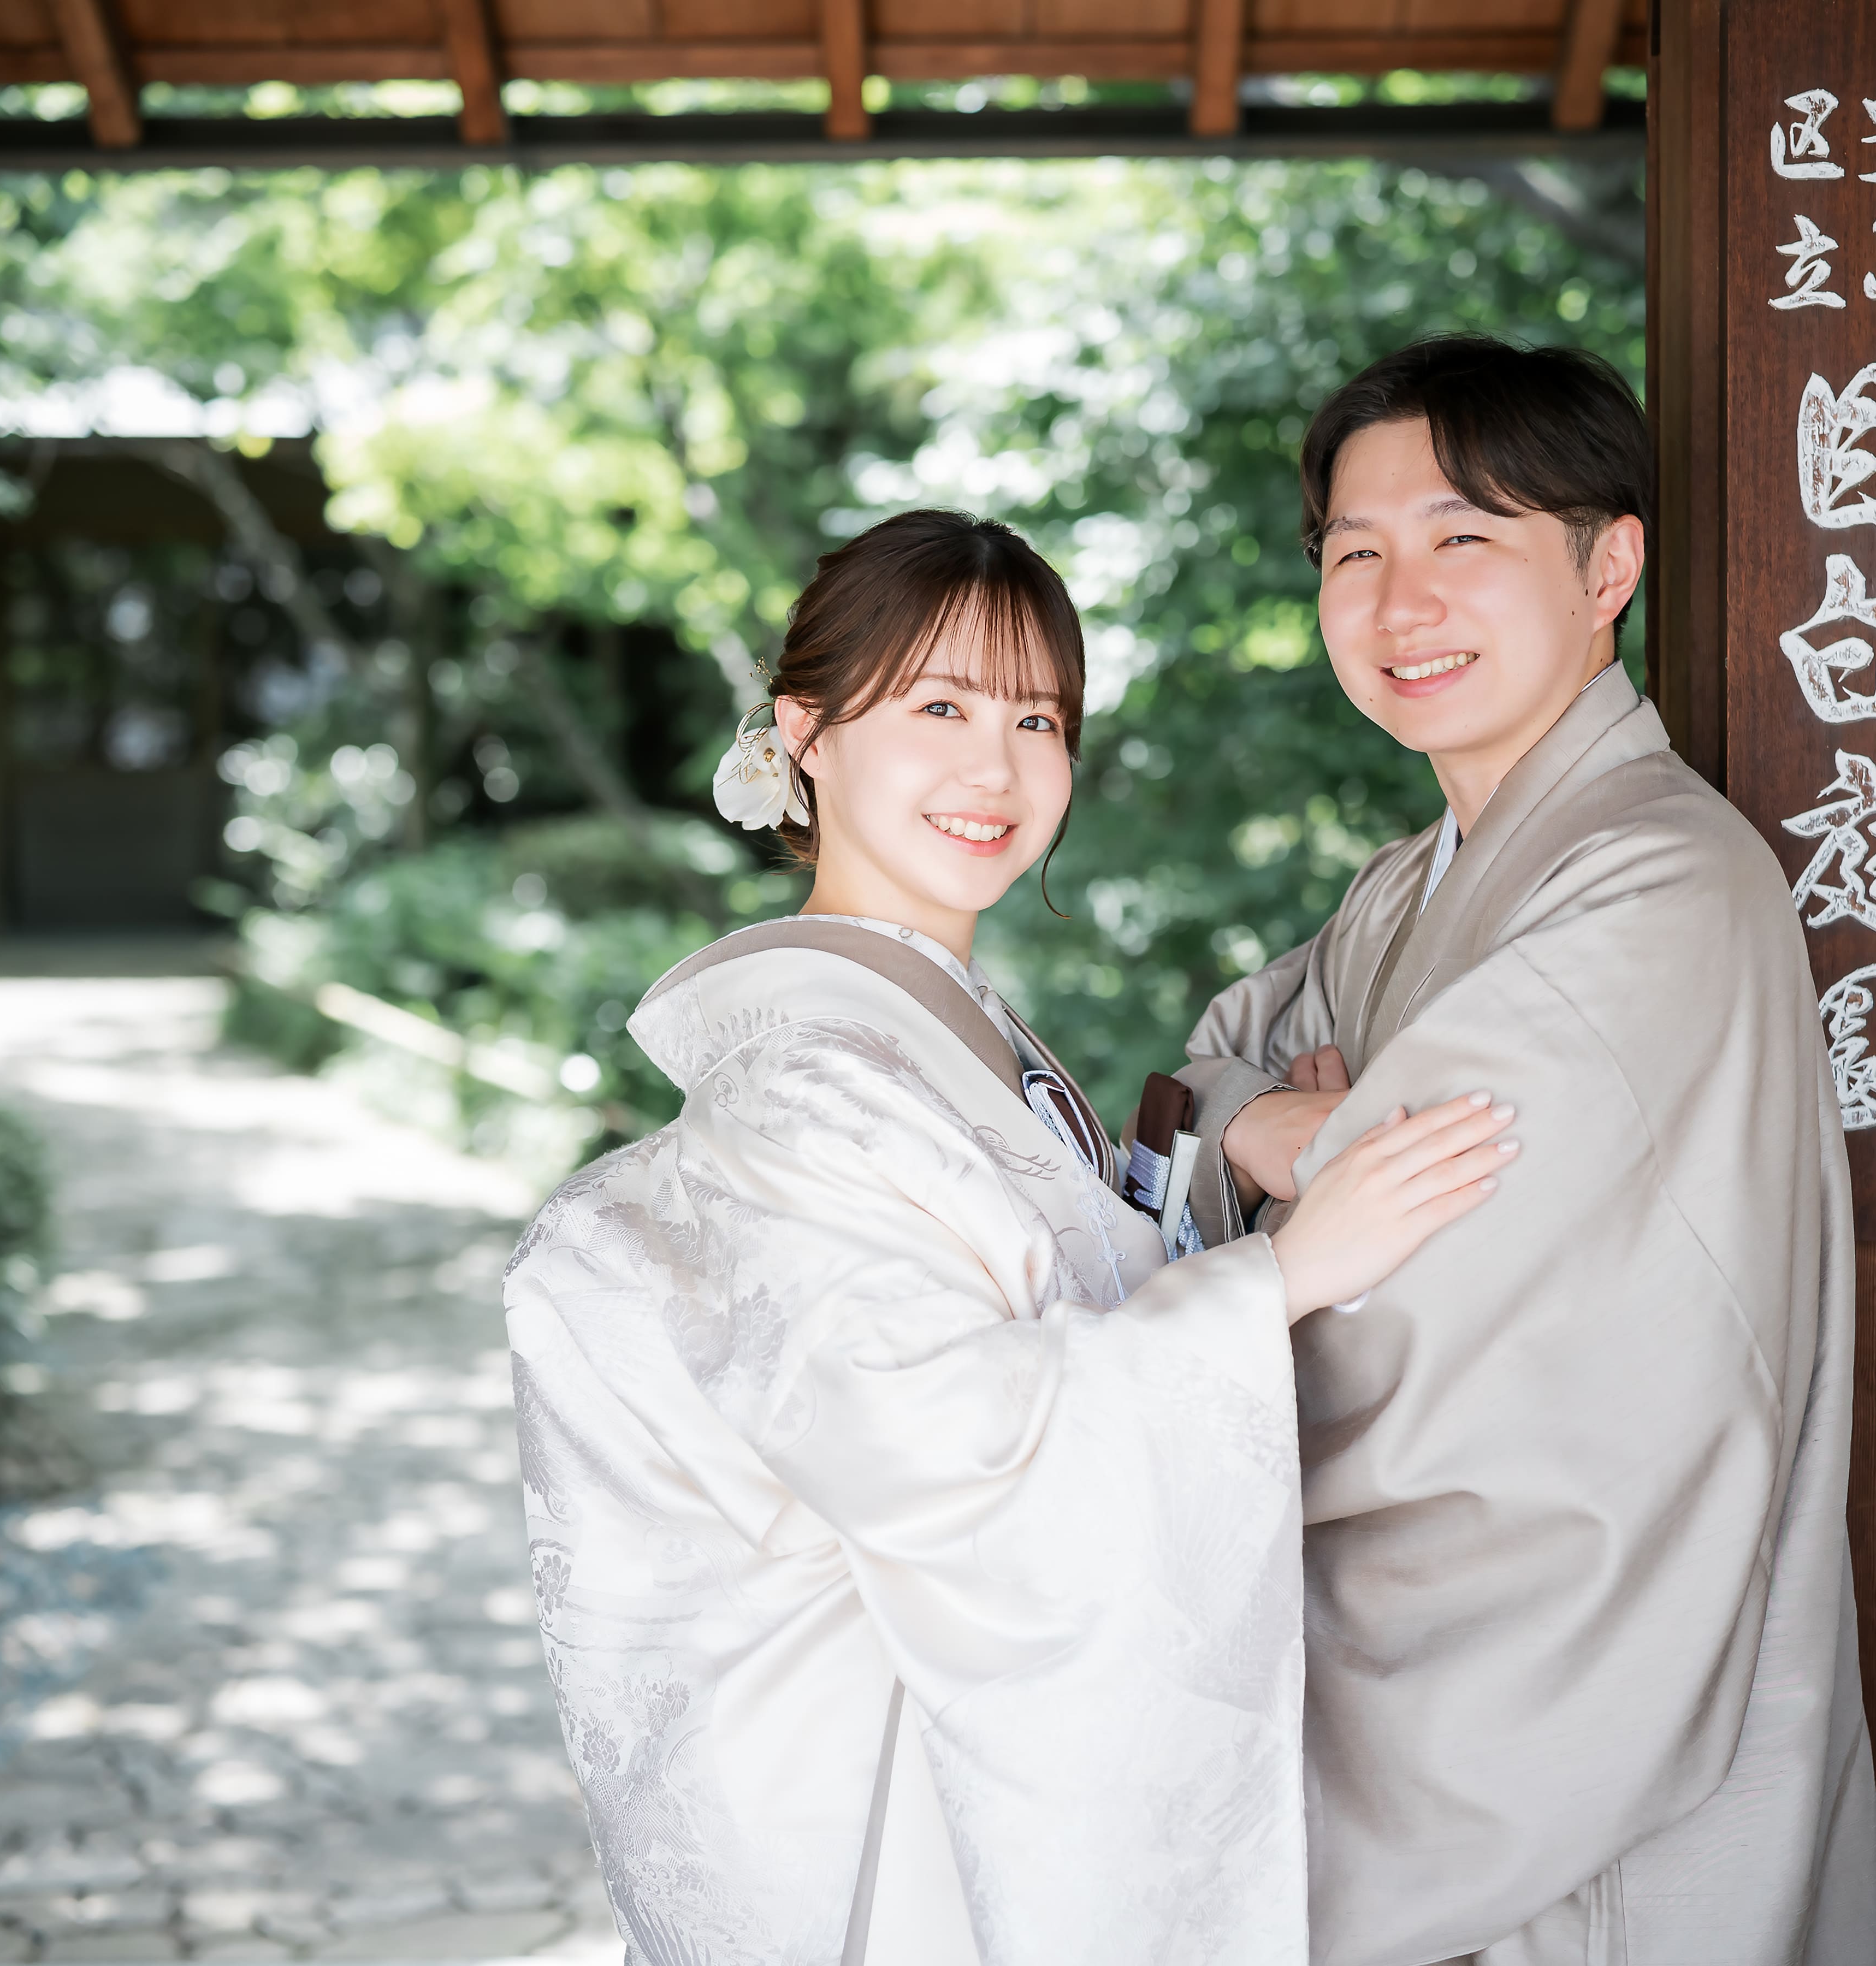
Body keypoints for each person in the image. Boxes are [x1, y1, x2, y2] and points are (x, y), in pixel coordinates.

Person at [504, 508, 1519, 1965]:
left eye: (1037, 719)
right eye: (939, 709)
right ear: (806, 734)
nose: (996, 768)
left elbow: (1064, 1274)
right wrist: (1283, 1278)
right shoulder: (808, 1086)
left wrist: (1228, 1154)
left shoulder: (935, 1030)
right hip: (907, 1798)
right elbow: (942, 1448)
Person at [1170, 337, 1876, 1964]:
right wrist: (1268, 1128)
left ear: (1607, 567)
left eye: (1464, 537)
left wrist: (1277, 1154)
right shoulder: (1403, 887)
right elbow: (1203, 1081)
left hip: (1578, 1657)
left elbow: (1403, 1230)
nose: (1401, 601)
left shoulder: (1661, 882)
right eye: (1355, 553)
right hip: (1450, 1676)